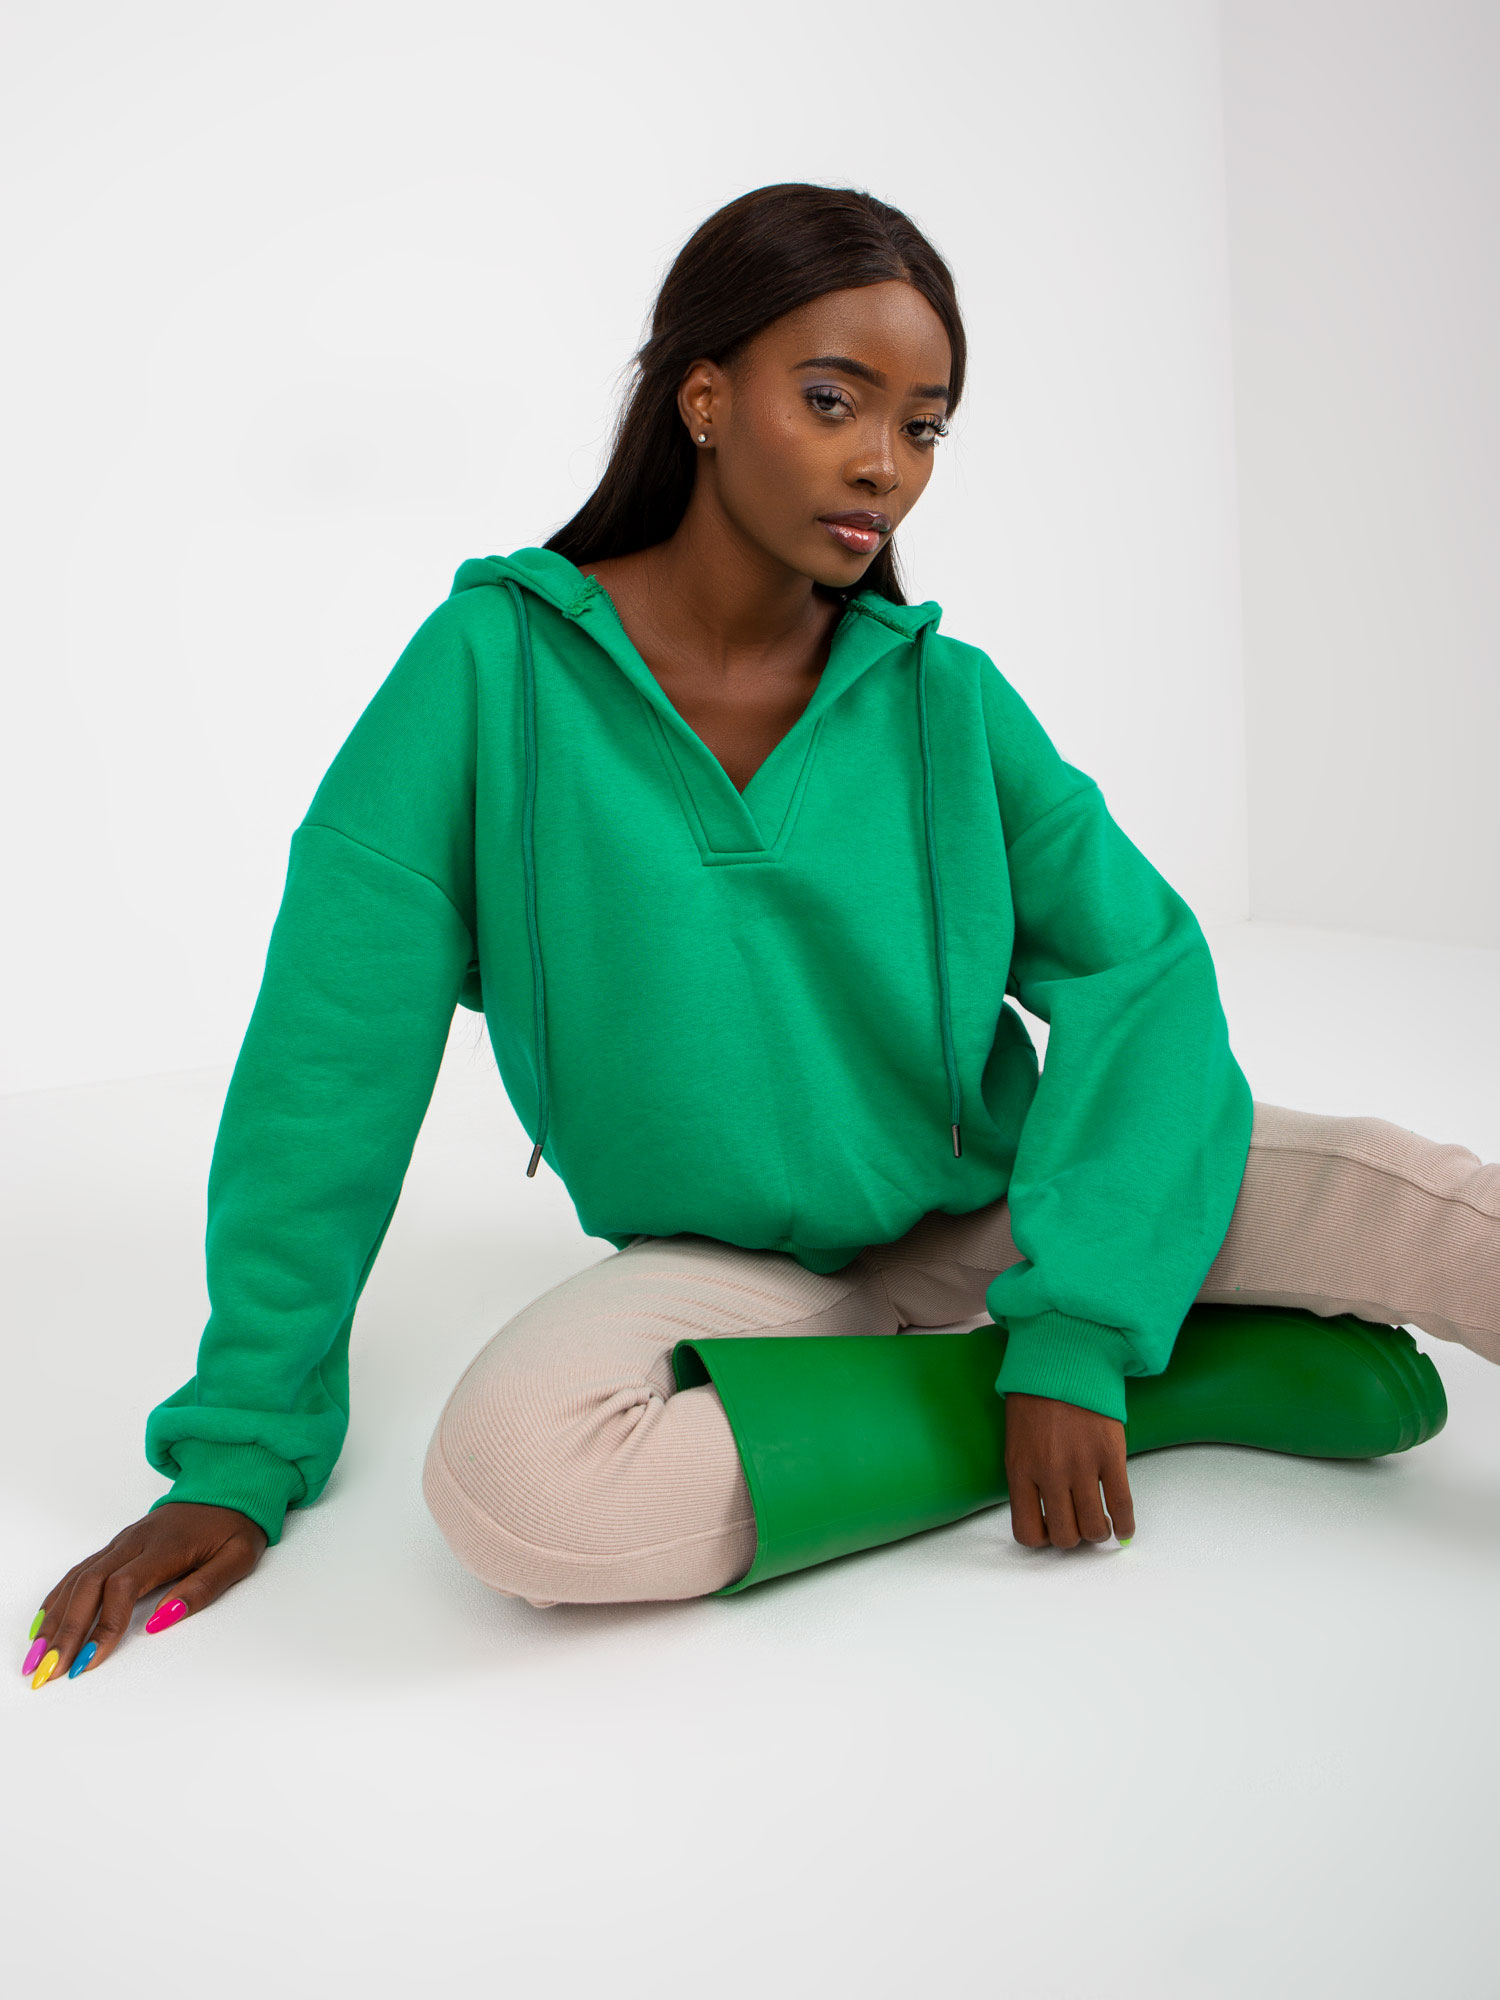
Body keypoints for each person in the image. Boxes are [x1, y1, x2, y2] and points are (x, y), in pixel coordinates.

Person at [25, 182, 1499, 1685]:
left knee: (1441, 1213)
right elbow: (327, 1065)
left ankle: (1080, 1357)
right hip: (730, 1274)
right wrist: (239, 1450)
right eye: (834, 400)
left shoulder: (946, 703)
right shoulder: (486, 675)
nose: (883, 465)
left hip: (1019, 1206)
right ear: (706, 398)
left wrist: (1080, 1308)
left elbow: (1143, 970)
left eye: (924, 426)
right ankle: (1168, 1388)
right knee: (512, 1488)